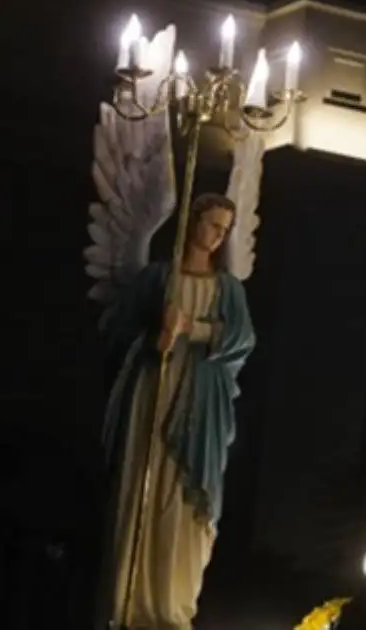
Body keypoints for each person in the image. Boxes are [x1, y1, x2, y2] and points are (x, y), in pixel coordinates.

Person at [101, 192, 256, 629]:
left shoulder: (228, 289)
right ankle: (128, 602)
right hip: (153, 391)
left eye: (225, 229)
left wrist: (192, 327)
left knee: (184, 506)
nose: (218, 236)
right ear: (192, 222)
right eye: (212, 225)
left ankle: (170, 607)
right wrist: (155, 340)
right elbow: (117, 334)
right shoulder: (157, 279)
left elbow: (243, 339)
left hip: (200, 407)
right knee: (144, 494)